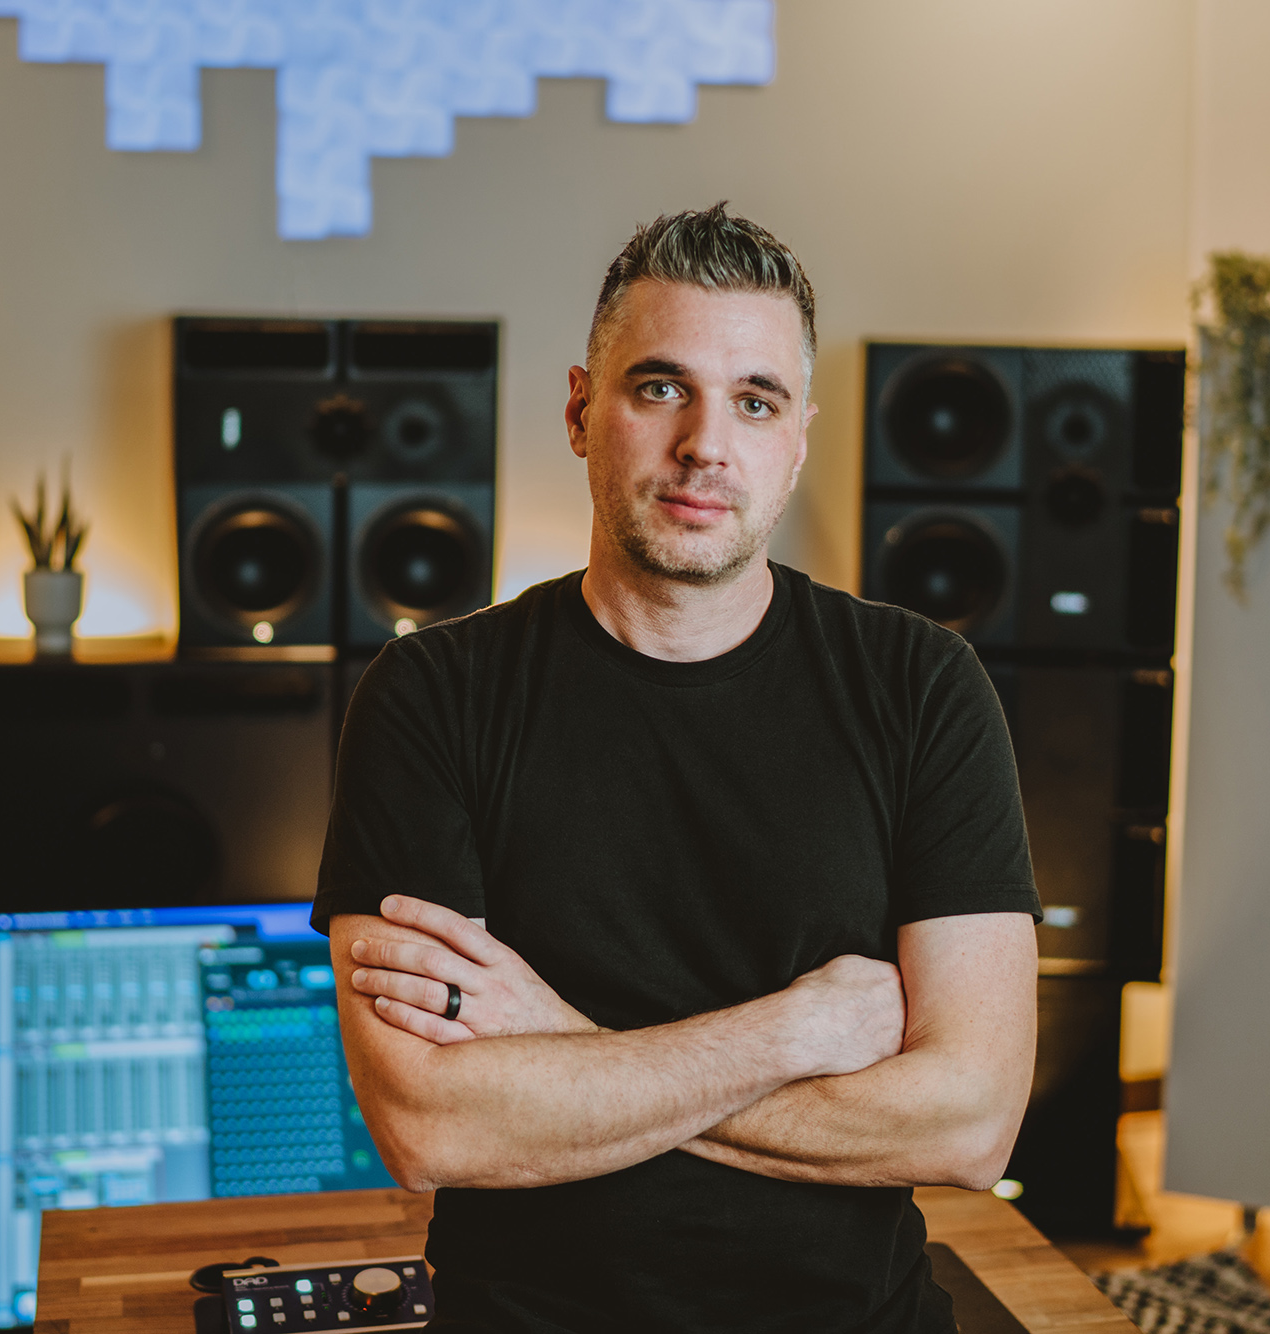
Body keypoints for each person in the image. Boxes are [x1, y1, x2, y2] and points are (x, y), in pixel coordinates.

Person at [311, 203, 1040, 1333]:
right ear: (577, 410)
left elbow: (969, 1121)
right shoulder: (431, 698)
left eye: (754, 400)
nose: (706, 442)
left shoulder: (921, 686)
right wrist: (794, 1031)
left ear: (796, 439)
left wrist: (557, 1050)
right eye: (659, 387)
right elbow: (432, 1125)